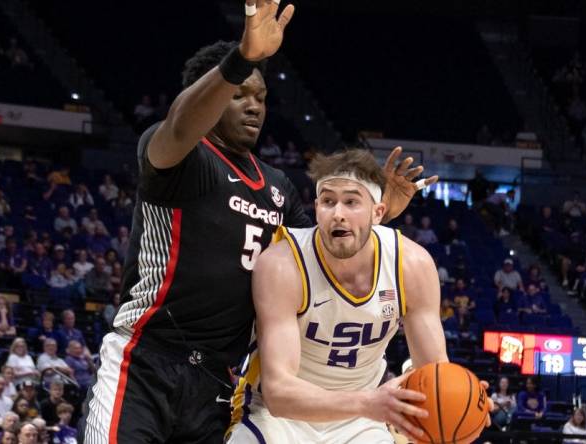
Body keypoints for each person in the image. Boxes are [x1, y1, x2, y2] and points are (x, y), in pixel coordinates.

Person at [81, 3, 435, 441]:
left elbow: (324, 248)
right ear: (209, 93)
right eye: (239, 94)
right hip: (146, 360)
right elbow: (180, 125)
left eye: (261, 98)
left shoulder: (278, 186)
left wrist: (382, 212)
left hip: (217, 379)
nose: (254, 107)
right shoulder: (180, 156)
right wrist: (242, 59)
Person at [226, 149, 483, 443]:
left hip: (361, 422)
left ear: (378, 212)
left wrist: (463, 399)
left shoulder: (412, 265)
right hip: (279, 418)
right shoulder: (283, 264)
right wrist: (368, 402)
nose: (337, 213)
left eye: (351, 202)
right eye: (328, 201)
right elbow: (279, 394)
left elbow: (434, 370)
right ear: (316, 207)